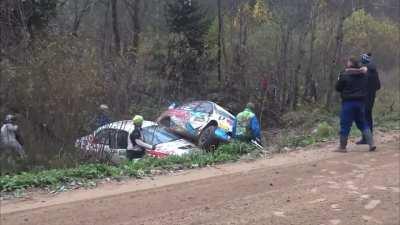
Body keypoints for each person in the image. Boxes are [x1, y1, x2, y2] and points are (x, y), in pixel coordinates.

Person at [335, 57, 376, 152]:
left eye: (348, 62)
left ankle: (342, 147)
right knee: (363, 123)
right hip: (361, 102)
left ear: (350, 64)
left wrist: (339, 78)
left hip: (348, 103)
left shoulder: (344, 75)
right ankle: (371, 144)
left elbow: (338, 88)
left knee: (345, 124)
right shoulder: (364, 75)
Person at [357, 53, 381, 144]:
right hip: (371, 98)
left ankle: (366, 138)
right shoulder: (374, 72)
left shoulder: (364, 72)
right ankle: (368, 138)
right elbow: (378, 86)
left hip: (364, 98)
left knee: (364, 118)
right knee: (368, 117)